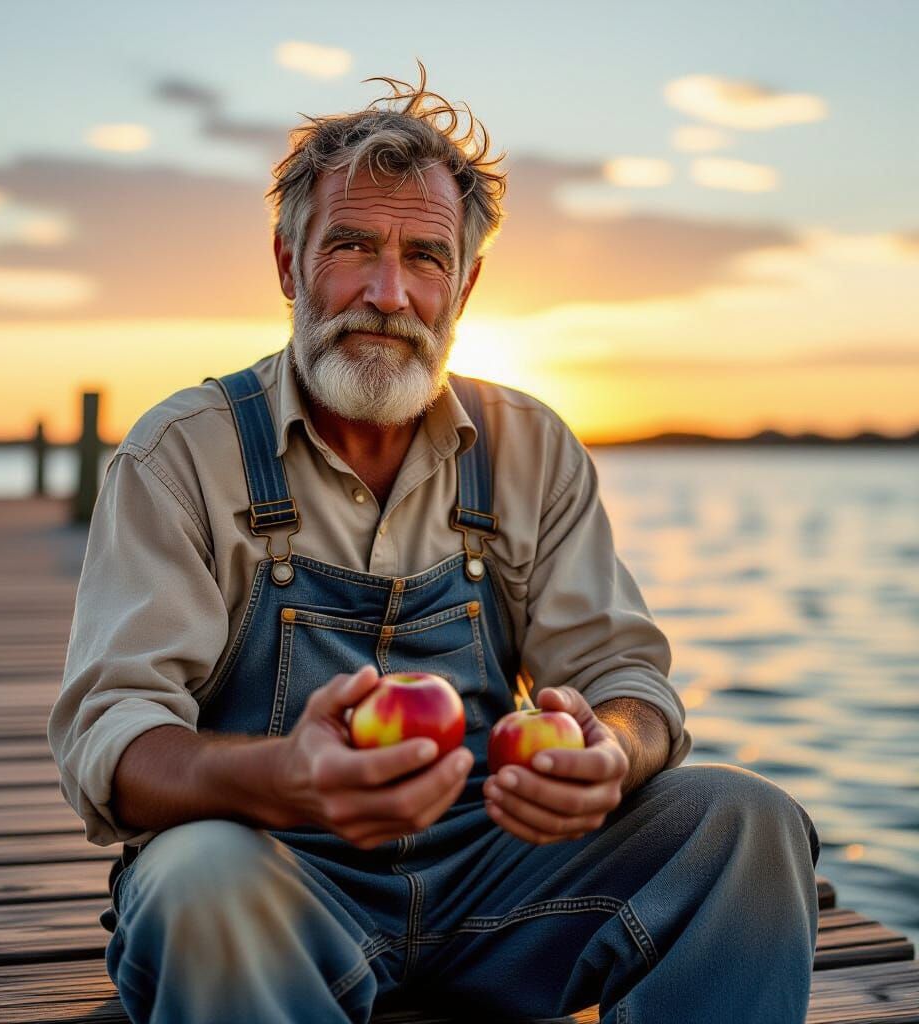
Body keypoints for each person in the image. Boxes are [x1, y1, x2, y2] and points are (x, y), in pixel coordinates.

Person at [48, 67, 820, 1024]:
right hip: (272, 870)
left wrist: (610, 755)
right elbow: (114, 739)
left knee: (748, 822)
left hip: (498, 877)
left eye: (425, 256)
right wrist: (287, 779)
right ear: (289, 266)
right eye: (352, 247)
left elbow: (629, 678)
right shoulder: (180, 457)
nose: (389, 292)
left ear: (466, 280)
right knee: (199, 876)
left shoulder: (531, 447)